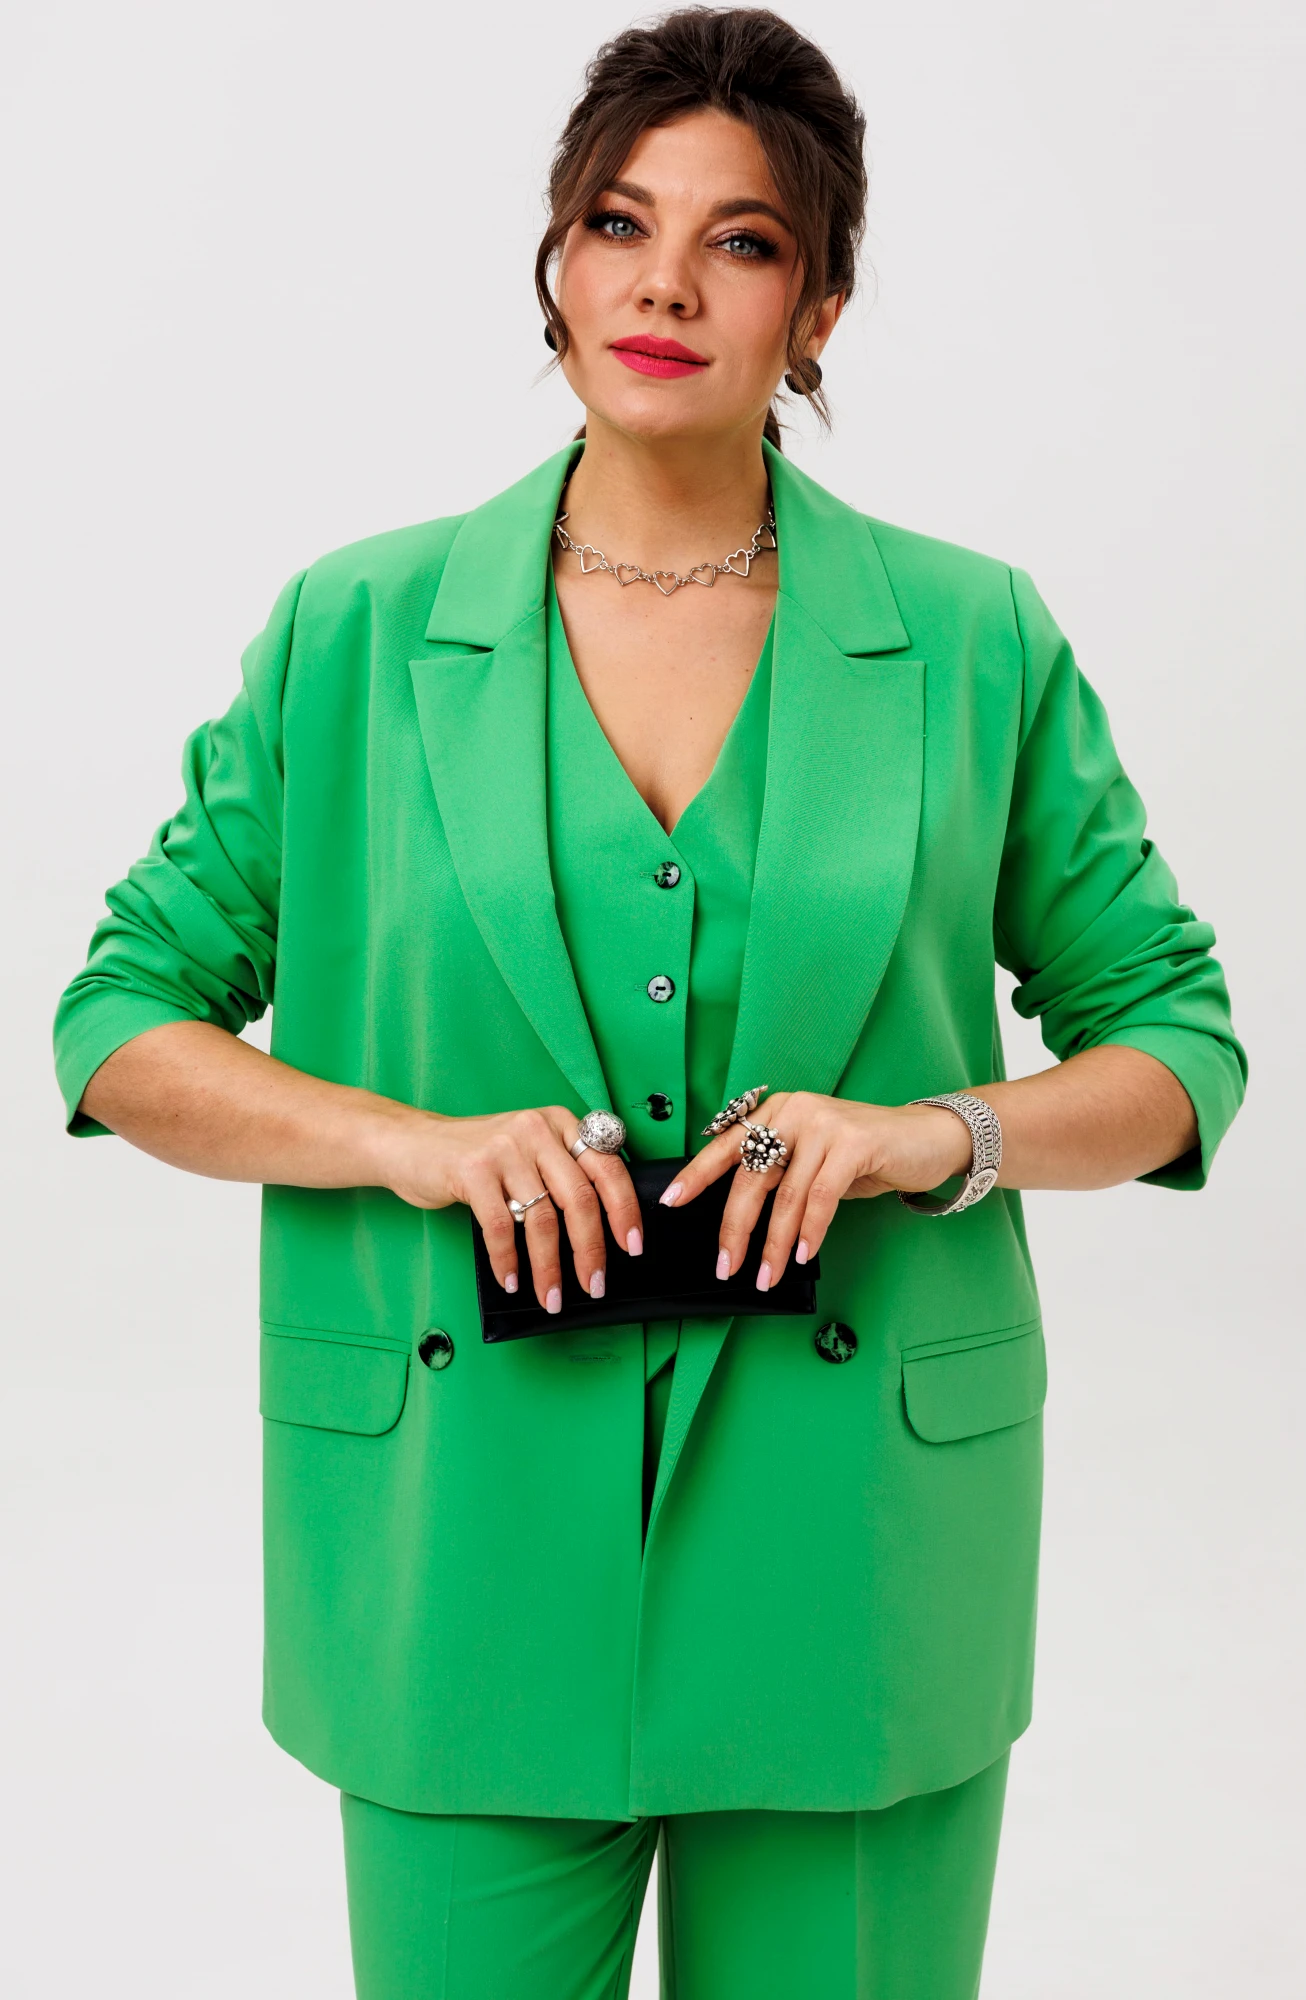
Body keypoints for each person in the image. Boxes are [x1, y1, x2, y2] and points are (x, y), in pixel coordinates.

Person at [53, 9, 1245, 1997]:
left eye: (741, 240)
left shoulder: (972, 640)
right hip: (460, 1541)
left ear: (821, 303)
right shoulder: (358, 631)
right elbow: (119, 1021)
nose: (664, 283)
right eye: (617, 222)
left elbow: (1176, 1045)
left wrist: (934, 1137)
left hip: (860, 1552)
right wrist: (415, 1148)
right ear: (557, 260)